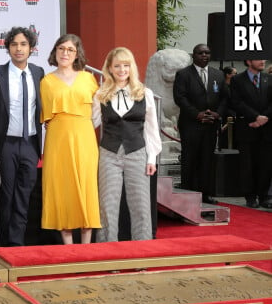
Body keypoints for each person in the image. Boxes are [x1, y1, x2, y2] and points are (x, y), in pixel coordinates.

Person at [92, 47, 161, 242]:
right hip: (108, 153)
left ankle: (142, 254)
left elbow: (151, 128)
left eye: (126, 65)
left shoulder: (144, 93)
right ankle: (107, 256)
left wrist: (152, 158)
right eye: (117, 66)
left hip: (137, 152)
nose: (122, 70)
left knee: (141, 205)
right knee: (107, 206)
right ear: (109, 69)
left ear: (132, 68)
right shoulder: (101, 94)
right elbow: (90, 123)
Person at [40, 33, 101, 245]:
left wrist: (84, 126)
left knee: (86, 189)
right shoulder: (46, 81)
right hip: (57, 139)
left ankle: (86, 249)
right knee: (62, 188)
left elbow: (98, 111)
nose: (65, 53)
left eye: (70, 50)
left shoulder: (88, 78)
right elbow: (45, 116)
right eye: (61, 48)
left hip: (84, 139)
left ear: (77, 55)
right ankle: (69, 249)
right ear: (55, 51)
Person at [0, 27, 45, 246]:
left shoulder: (38, 73)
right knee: (6, 196)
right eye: (14, 44)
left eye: (23, 44)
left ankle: (17, 245)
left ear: (31, 48)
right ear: (8, 48)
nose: (18, 49)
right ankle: (1, 244)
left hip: (30, 143)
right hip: (6, 144)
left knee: (23, 197)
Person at [173, 44, 227, 204]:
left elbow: (225, 97)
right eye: (200, 53)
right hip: (191, 124)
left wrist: (217, 114)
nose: (204, 55)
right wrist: (197, 114)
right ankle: (187, 193)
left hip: (211, 125)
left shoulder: (218, 74)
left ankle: (205, 194)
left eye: (207, 53)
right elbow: (180, 98)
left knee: (207, 160)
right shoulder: (183, 74)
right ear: (193, 55)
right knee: (190, 159)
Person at [229, 60, 272, 208]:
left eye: (264, 58)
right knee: (248, 165)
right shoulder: (237, 80)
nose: (263, 61)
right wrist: (255, 117)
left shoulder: (268, 78)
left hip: (266, 128)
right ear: (248, 61)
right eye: (259, 58)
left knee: (266, 164)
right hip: (247, 128)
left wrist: (263, 119)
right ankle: (251, 197)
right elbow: (236, 102)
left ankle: (264, 196)